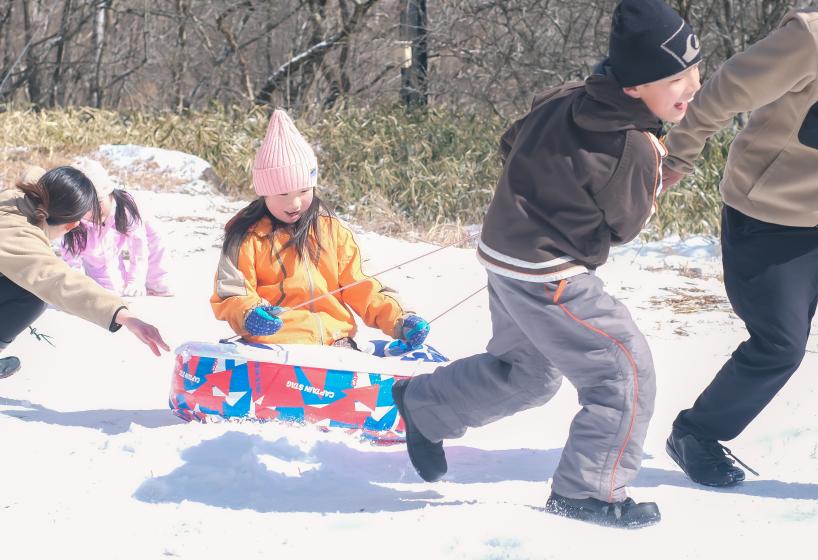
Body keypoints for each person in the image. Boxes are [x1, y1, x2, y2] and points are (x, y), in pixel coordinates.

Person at [390, 0, 702, 528]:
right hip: (551, 276)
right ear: (633, 89)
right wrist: (654, 184)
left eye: (695, 70)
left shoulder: (562, 98)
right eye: (675, 78)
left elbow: (510, 142)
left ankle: (427, 406)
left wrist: (542, 193)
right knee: (623, 372)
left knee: (529, 374)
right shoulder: (635, 148)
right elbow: (624, 227)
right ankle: (588, 490)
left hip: (504, 255)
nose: (691, 87)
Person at [662, 2, 818, 487]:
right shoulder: (817, 38)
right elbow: (725, 89)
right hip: (773, 212)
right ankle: (695, 434)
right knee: (780, 345)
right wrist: (681, 151)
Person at [210, 109, 429, 351]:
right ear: (264, 193)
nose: (294, 204)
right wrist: (250, 314)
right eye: (283, 194)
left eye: (304, 191)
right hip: (273, 345)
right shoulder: (246, 237)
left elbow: (363, 284)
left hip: (334, 341)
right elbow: (231, 292)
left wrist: (400, 319)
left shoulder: (332, 230)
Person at [0, 165, 170, 378]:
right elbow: (57, 280)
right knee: (33, 292)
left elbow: (33, 171)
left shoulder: (13, 199)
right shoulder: (19, 235)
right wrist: (125, 317)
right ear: (72, 225)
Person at [60, 159, 173, 297]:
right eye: (86, 207)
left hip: (137, 226)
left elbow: (138, 247)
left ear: (110, 193)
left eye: (99, 202)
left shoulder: (125, 206)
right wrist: (76, 288)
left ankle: (156, 282)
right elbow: (71, 260)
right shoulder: (76, 225)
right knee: (111, 291)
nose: (93, 212)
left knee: (154, 237)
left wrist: (135, 281)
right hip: (97, 247)